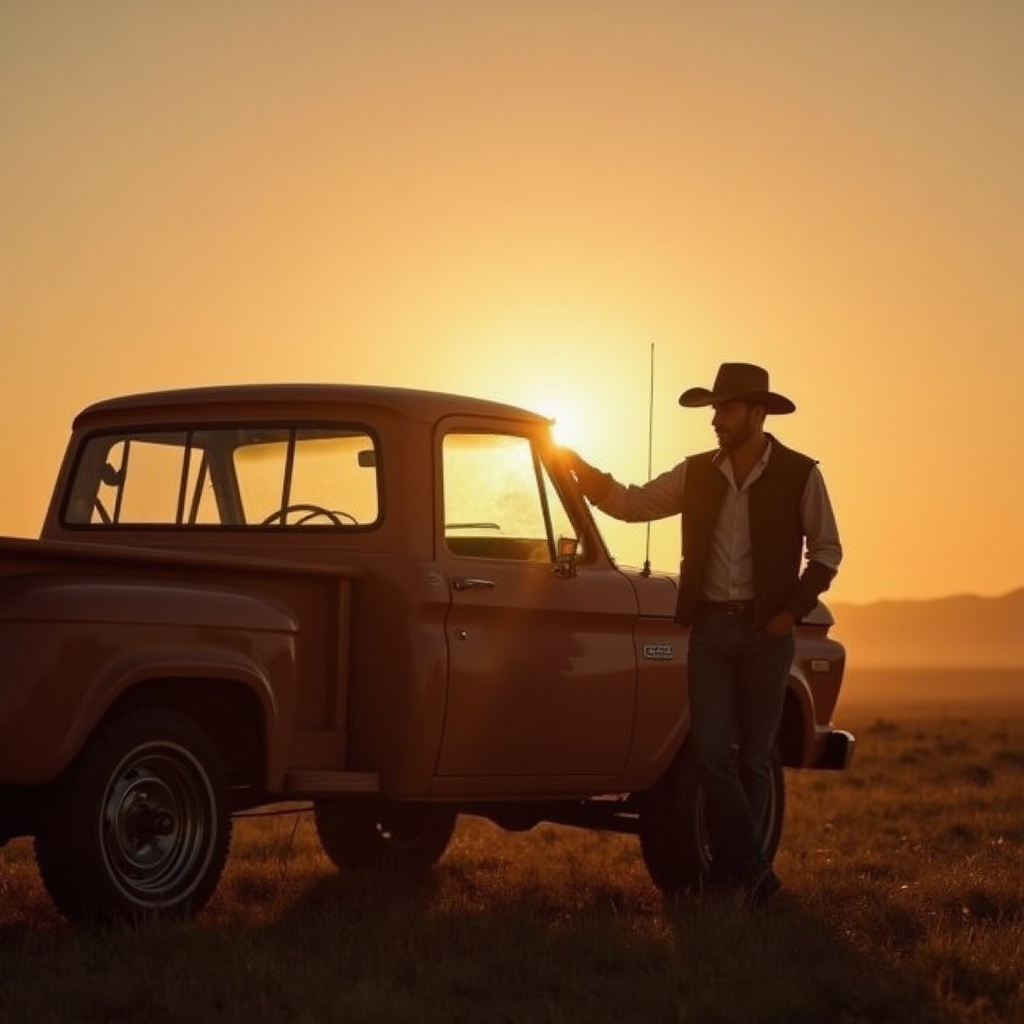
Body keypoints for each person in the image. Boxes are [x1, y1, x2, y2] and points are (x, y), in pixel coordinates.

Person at [565, 362, 842, 905]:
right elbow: (632, 503)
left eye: (726, 409)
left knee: (755, 758)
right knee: (712, 753)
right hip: (710, 628)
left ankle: (739, 877)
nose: (716, 419)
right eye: (714, 410)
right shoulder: (695, 473)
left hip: (768, 633)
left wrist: (788, 614)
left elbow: (827, 552)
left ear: (757, 413)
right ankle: (755, 871)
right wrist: (579, 470)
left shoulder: (800, 473)